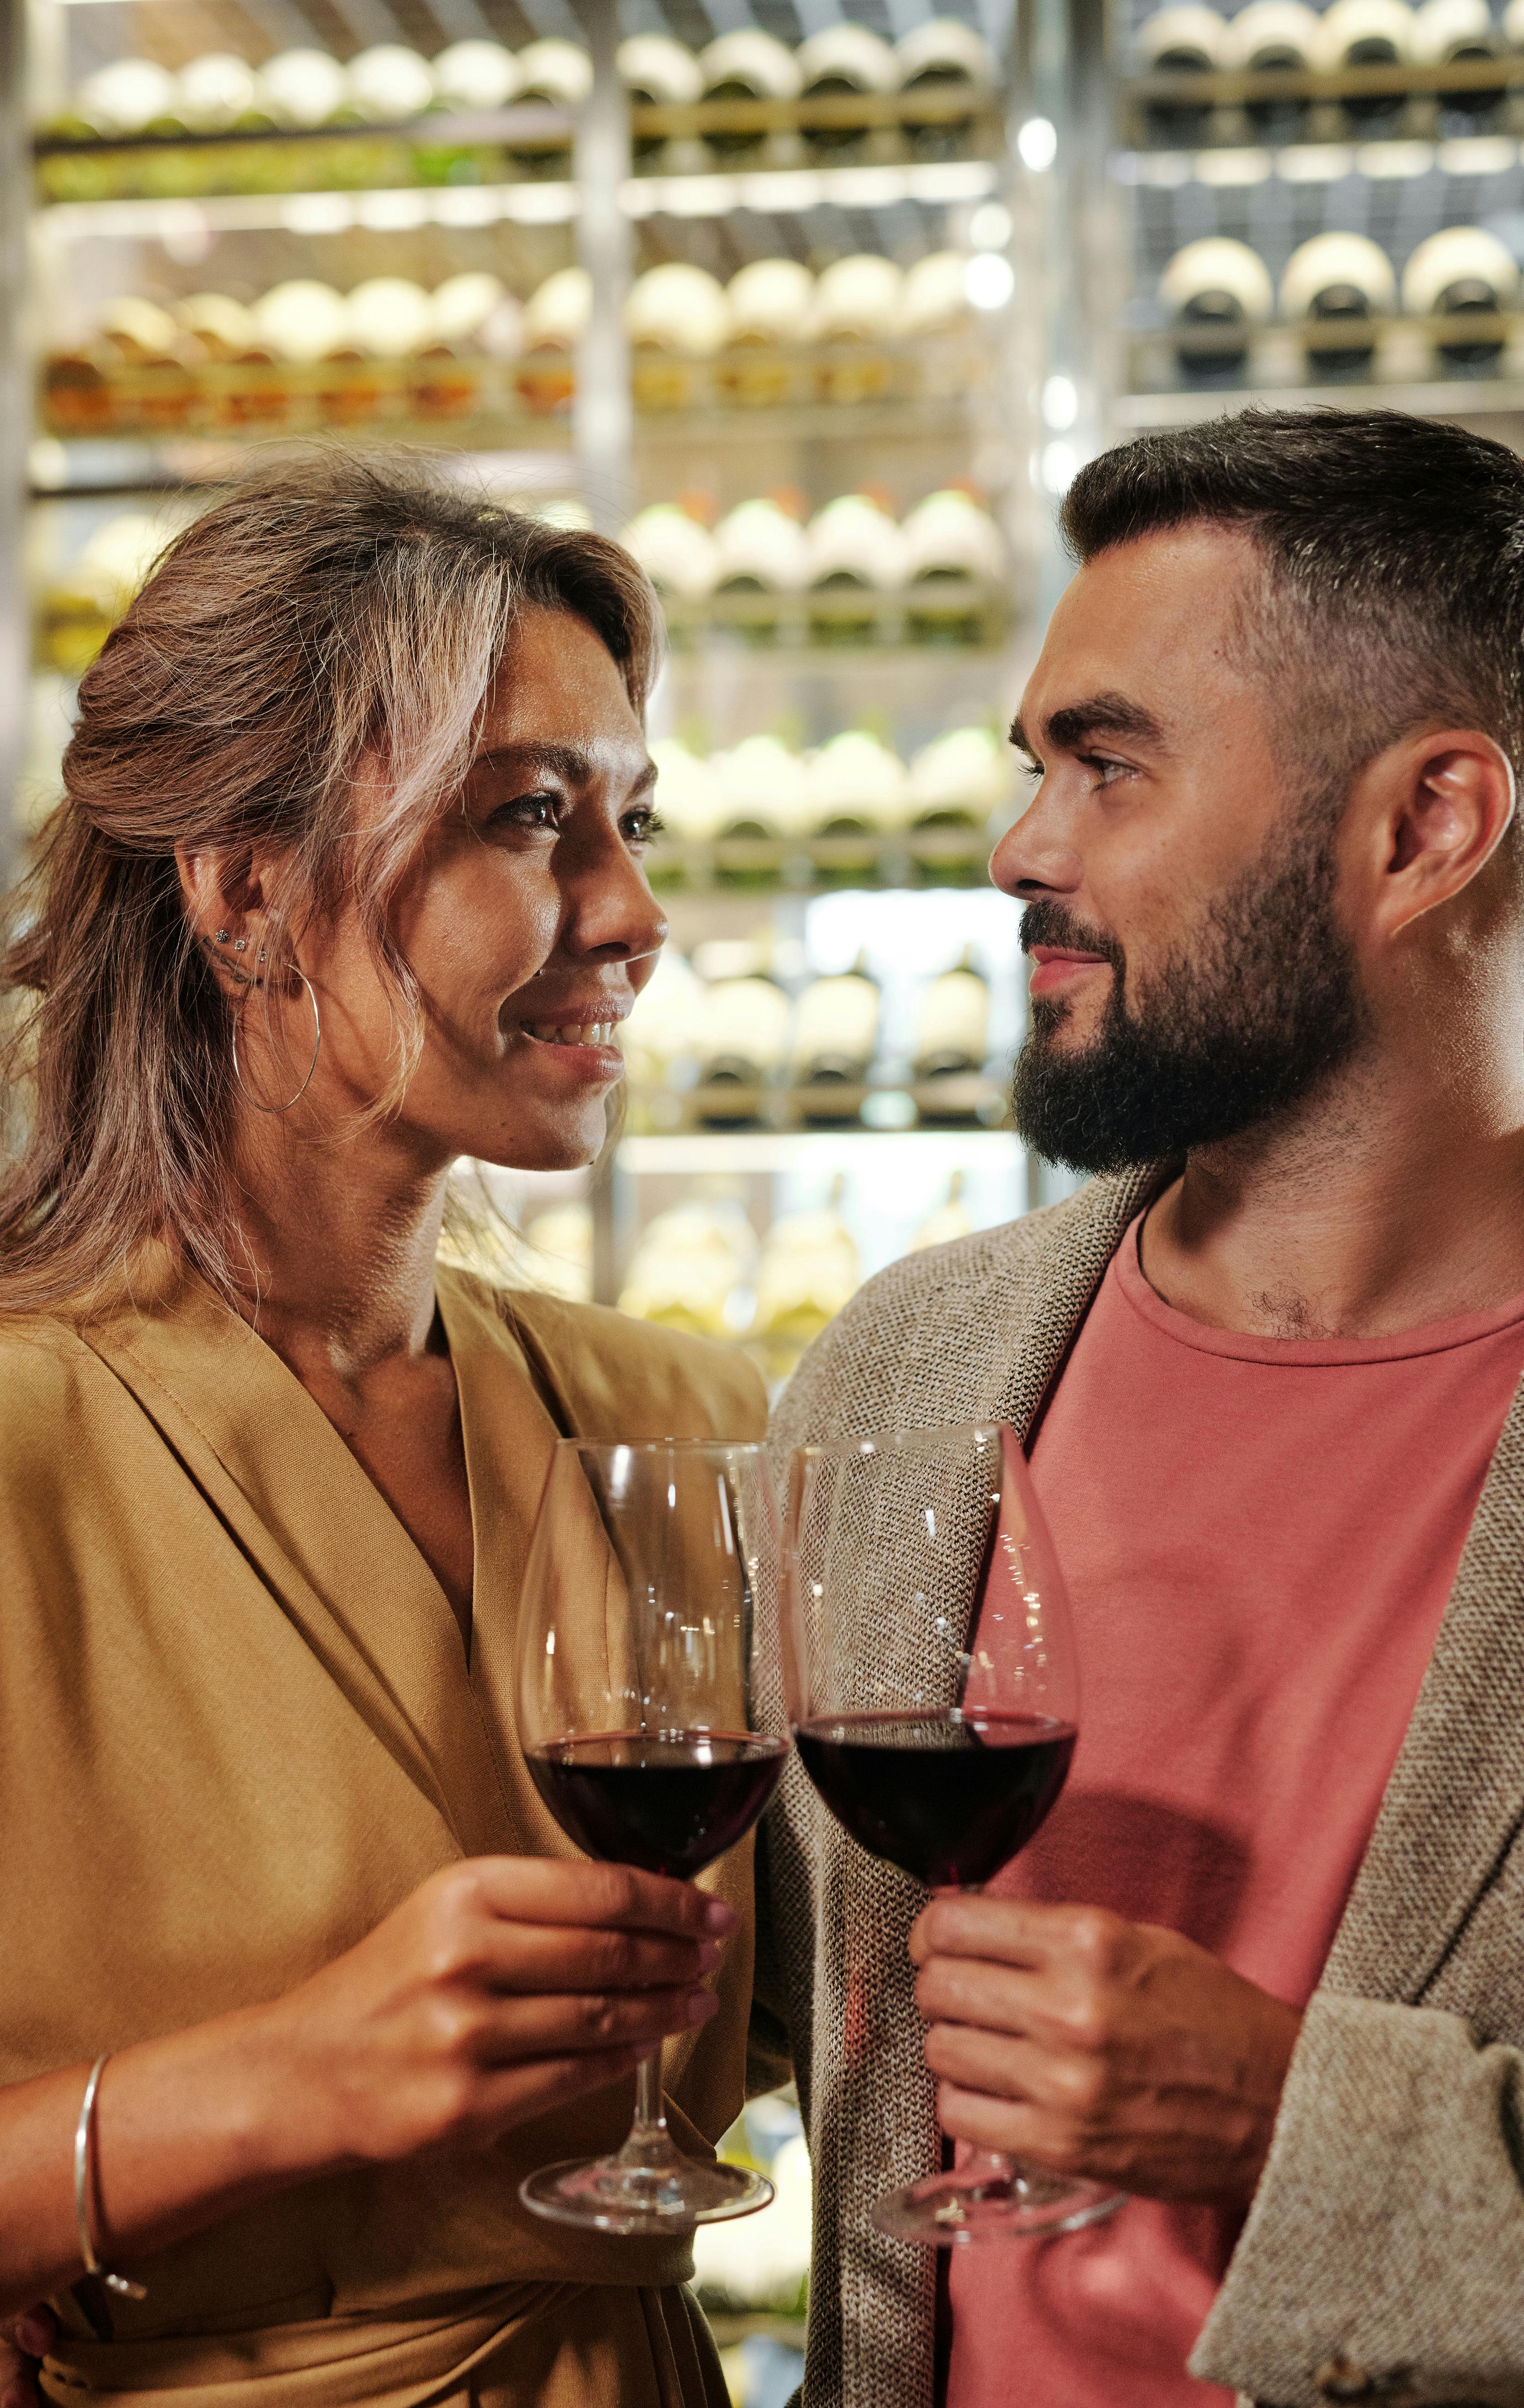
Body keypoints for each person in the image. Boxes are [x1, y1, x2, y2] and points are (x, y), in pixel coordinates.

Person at [763, 406, 1524, 2407]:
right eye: (1031, 768)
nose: (1020, 851)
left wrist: (1293, 2122)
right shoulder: (906, 1364)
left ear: (1424, 828)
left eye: (1108, 765)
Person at [0, 455, 774, 2408]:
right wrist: (282, 2082)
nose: (635, 913)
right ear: (247, 891)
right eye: (527, 816)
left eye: (632, 820)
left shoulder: (681, 1420)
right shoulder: (24, 1443)